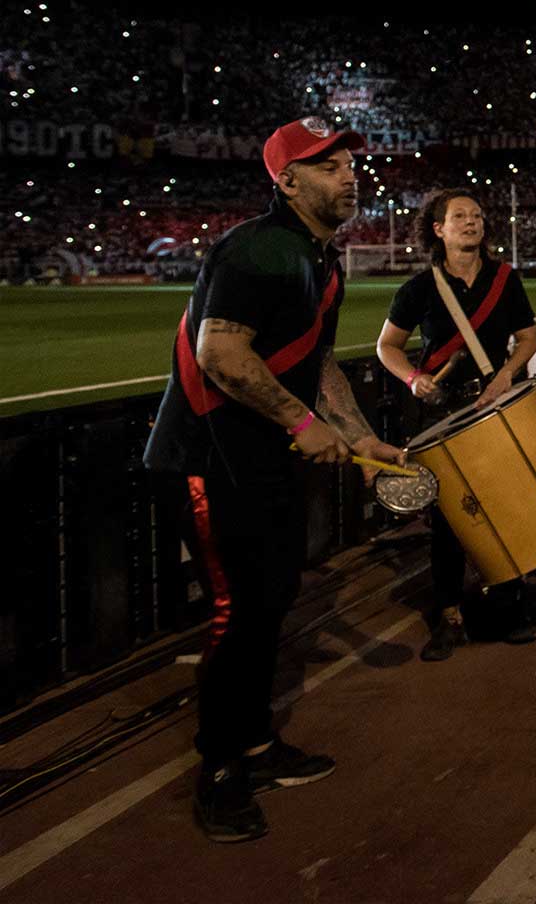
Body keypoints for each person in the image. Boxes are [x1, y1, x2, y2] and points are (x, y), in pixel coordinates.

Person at [144, 117, 407, 843]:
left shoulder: (318, 258)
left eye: (350, 160)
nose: (349, 173)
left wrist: (360, 438)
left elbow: (315, 362)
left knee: (270, 602)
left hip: (259, 458)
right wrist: (301, 426)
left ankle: (255, 746)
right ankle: (219, 769)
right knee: (238, 612)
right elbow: (221, 353)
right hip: (209, 458)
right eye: (327, 165)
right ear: (286, 180)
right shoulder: (257, 247)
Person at [376, 187, 536, 660]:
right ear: (438, 229)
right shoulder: (418, 288)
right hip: (442, 414)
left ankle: (511, 602)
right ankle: (449, 613)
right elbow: (387, 346)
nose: (472, 222)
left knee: (503, 507)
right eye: (460, 216)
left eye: (477, 216)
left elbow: (527, 339)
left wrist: (506, 374)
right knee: (450, 519)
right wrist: (412, 378)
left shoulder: (505, 279)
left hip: (494, 405)